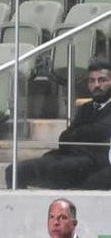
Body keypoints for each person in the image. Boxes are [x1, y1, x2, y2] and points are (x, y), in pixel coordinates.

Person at [8, 60, 111, 189]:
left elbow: (100, 131)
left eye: (102, 80)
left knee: (57, 170)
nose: (96, 85)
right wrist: (80, 134)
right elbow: (64, 138)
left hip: (95, 161)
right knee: (14, 171)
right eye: (92, 81)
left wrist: (77, 133)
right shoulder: (86, 108)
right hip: (69, 156)